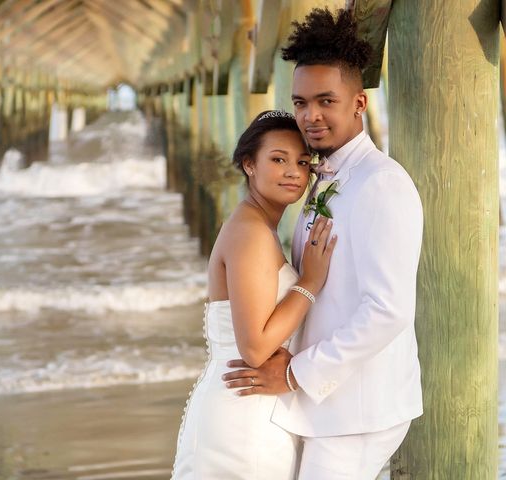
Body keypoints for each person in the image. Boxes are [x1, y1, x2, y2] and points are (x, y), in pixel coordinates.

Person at [222, 8, 424, 479]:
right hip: (325, 404)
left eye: (325, 101)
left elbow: (388, 309)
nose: (309, 116)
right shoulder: (323, 176)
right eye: (300, 102)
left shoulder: (381, 184)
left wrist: (297, 373)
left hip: (358, 407)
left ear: (359, 103)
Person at [171, 109, 336, 479]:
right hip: (243, 421)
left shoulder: (256, 225)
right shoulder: (251, 234)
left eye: (302, 161)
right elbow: (256, 349)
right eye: (278, 159)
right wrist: (309, 283)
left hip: (250, 408)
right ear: (249, 164)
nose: (294, 171)